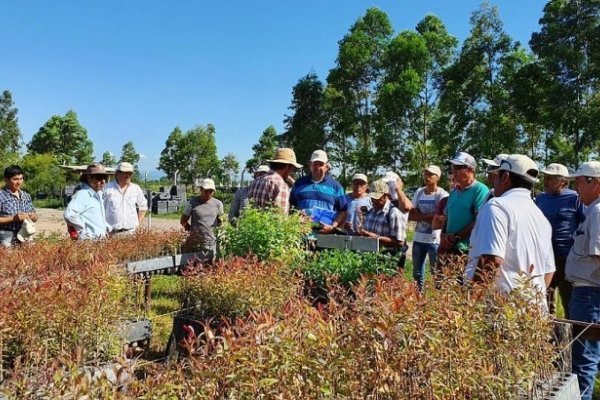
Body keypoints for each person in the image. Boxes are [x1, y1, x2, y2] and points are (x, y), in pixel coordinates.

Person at [467, 154, 555, 307]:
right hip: (533, 313)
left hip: (502, 311)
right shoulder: (541, 218)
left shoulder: (497, 206)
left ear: (505, 176)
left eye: (497, 175)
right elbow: (548, 271)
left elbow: (492, 260)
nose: (494, 180)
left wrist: (470, 305)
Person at [564, 161, 600, 400]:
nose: (576, 187)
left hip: (590, 295)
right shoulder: (593, 210)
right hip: (589, 295)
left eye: (579, 181)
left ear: (595, 183)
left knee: (584, 361)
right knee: (589, 357)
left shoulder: (598, 212)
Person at [536, 163, 585, 317]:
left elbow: (583, 224)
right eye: (545, 177)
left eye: (550, 178)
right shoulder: (541, 199)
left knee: (568, 301)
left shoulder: (575, 198)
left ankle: (571, 336)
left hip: (566, 258)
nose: (546, 180)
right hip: (544, 258)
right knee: (544, 300)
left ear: (563, 181)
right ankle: (548, 338)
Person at [440, 152, 489, 256]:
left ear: (471, 169)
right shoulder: (454, 192)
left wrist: (456, 237)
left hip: (465, 250)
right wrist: (443, 236)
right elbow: (447, 217)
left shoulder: (480, 190)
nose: (453, 171)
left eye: (458, 167)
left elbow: (479, 220)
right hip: (448, 247)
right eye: (453, 167)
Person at [409, 165, 449, 291]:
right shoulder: (419, 192)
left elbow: (441, 218)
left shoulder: (443, 194)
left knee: (436, 273)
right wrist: (430, 216)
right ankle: (418, 297)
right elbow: (412, 214)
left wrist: (421, 216)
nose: (427, 177)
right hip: (419, 238)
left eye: (430, 174)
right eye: (426, 174)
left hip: (434, 240)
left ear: (437, 178)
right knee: (417, 273)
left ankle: (438, 299)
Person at [358, 179, 408, 269]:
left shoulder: (393, 212)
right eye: (372, 198)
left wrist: (376, 238)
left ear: (386, 196)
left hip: (389, 260)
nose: (374, 201)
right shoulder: (371, 211)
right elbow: (366, 233)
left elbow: (400, 242)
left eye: (377, 198)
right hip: (372, 259)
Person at [290, 150, 347, 217]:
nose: (317, 167)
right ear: (310, 165)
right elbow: (291, 206)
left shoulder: (336, 186)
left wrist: (333, 225)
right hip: (301, 227)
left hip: (326, 227)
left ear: (326, 167)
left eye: (321, 164)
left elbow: (343, 211)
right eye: (315, 164)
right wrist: (295, 216)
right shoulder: (298, 183)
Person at [64, 163, 112, 240]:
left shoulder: (98, 195)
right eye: (99, 177)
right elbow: (69, 215)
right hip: (89, 241)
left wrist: (107, 227)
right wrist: (83, 229)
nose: (103, 181)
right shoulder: (82, 194)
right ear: (89, 178)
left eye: (104, 178)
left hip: (99, 241)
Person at [248, 148, 302, 215]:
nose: (291, 172)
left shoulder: (255, 182)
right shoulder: (281, 185)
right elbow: (281, 218)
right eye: (292, 169)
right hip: (270, 225)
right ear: (287, 167)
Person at [180, 178, 224, 258]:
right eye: (206, 191)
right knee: (195, 265)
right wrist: (192, 232)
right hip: (196, 242)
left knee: (212, 266)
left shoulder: (218, 204)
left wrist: (219, 225)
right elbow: (183, 221)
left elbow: (220, 220)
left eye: (211, 191)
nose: (208, 193)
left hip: (212, 241)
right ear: (201, 189)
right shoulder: (191, 203)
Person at [104, 162, 148, 235]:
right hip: (111, 233)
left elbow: (143, 206)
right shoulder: (107, 188)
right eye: (125, 173)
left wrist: (137, 223)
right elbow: (100, 209)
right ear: (117, 173)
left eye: (130, 173)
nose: (128, 176)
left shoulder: (136, 188)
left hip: (131, 232)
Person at [0, 165, 37, 247]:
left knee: (27, 258)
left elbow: (35, 217)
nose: (19, 182)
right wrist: (13, 218)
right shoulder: (1, 196)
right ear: (6, 179)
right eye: (15, 179)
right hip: (6, 236)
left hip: (25, 235)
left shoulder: (26, 196)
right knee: (9, 259)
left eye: (21, 178)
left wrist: (33, 216)